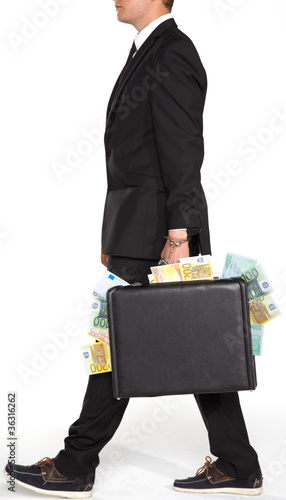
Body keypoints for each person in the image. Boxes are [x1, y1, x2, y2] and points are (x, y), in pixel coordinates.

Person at [5, 0, 263, 497]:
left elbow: (185, 153)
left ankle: (76, 462)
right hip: (138, 229)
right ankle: (237, 461)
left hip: (161, 235)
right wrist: (113, 235)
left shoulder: (173, 53)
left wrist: (178, 236)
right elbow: (129, 159)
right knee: (190, 339)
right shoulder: (144, 52)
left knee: (123, 342)